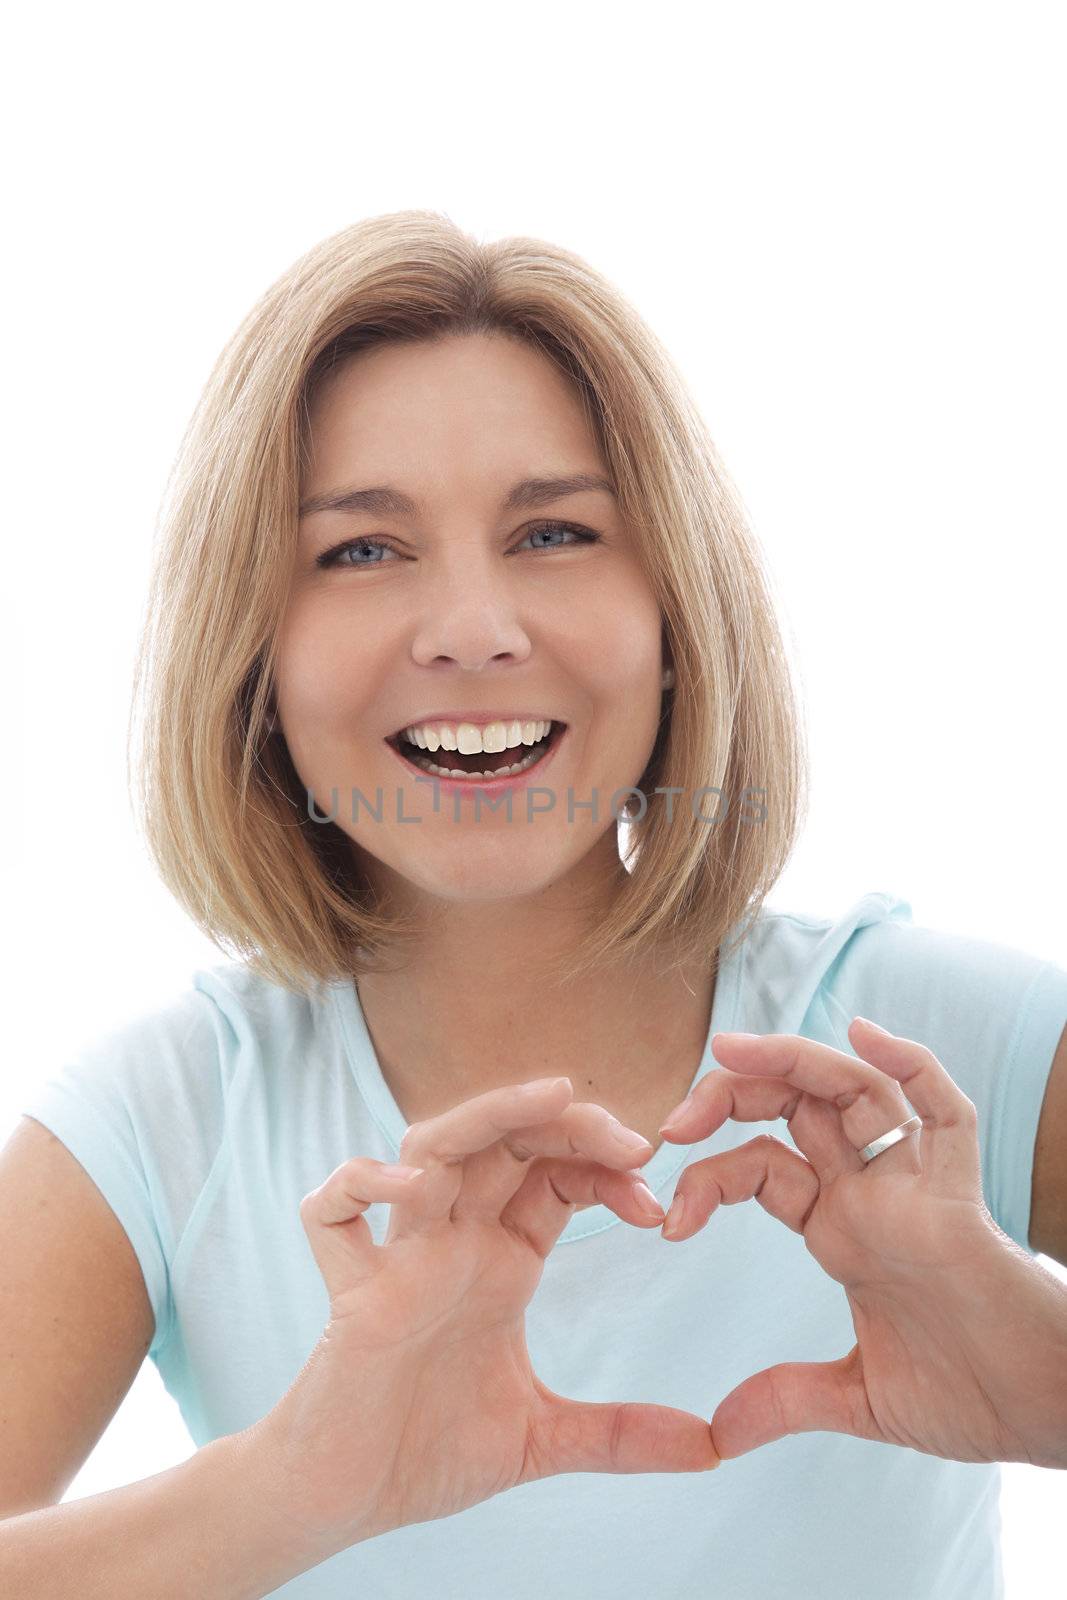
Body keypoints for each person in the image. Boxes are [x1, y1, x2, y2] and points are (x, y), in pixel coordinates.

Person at [5, 211, 1066, 1599]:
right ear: (256, 660)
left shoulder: (938, 1050)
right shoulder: (155, 1126)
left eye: (554, 532)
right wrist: (294, 1489)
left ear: (677, 618)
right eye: (362, 551)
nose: (473, 626)